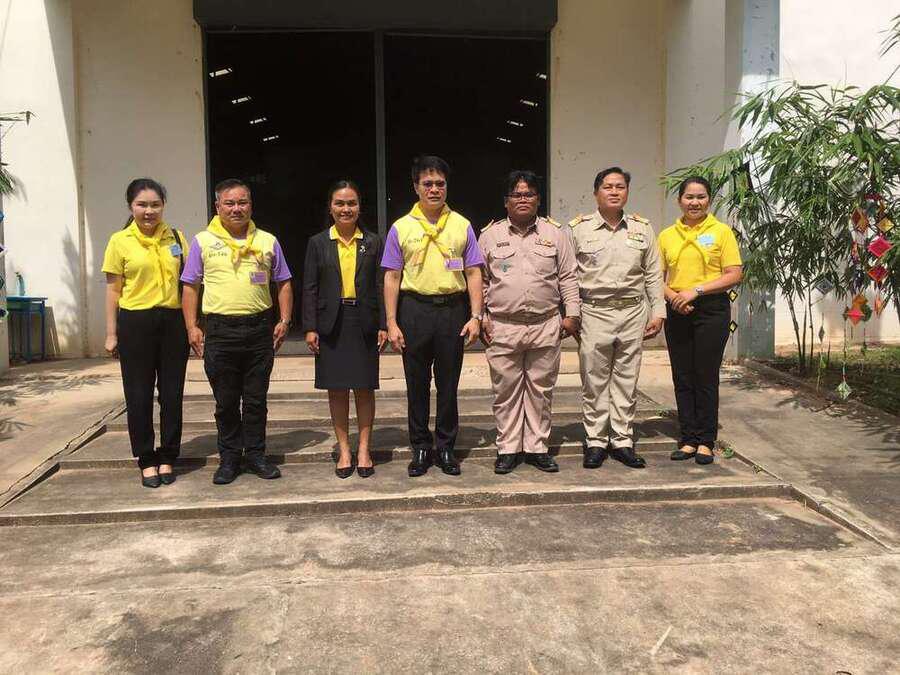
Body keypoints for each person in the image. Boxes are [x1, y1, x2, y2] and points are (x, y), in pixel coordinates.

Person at [180, 178, 293, 485]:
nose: (236, 208)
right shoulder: (202, 241)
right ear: (217, 207)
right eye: (229, 203)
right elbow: (190, 286)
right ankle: (229, 458)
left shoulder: (267, 241)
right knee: (226, 401)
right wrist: (191, 326)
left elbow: (283, 282)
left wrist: (284, 320)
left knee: (256, 400)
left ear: (251, 205)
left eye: (242, 202)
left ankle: (256, 455)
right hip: (220, 331)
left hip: (258, 330)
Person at [381, 155, 484, 477]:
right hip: (414, 310)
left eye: (440, 183)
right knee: (417, 384)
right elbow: (392, 276)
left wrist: (476, 316)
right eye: (427, 183)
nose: (434, 189)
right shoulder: (401, 227)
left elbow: (474, 272)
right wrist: (392, 322)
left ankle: (446, 446)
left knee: (448, 383)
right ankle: (421, 447)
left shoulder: (461, 225)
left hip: (453, 311)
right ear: (416, 187)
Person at [478, 170, 580, 474]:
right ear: (506, 201)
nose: (523, 199)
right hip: (503, 325)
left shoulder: (556, 235)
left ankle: (537, 448)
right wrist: (481, 316)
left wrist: (572, 314)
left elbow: (568, 277)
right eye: (516, 194)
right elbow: (480, 281)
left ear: (538, 199)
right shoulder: (490, 236)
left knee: (540, 390)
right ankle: (508, 448)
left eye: (529, 194)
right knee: (506, 391)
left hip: (545, 323)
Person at [569, 167, 666, 470]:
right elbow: (567, 276)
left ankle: (622, 440)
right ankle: (596, 441)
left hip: (632, 312)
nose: (614, 192)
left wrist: (658, 311)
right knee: (594, 380)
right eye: (608, 186)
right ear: (595, 192)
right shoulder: (578, 229)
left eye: (620, 187)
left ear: (627, 192)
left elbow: (653, 273)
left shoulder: (642, 228)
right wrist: (571, 314)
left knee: (626, 379)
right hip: (593, 311)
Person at [102, 178, 190, 488]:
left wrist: (193, 325)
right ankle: (146, 458)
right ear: (131, 206)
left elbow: (189, 284)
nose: (149, 211)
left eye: (155, 204)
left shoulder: (176, 237)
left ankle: (168, 455)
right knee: (138, 395)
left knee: (171, 394)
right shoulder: (119, 241)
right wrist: (111, 333)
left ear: (163, 206)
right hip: (135, 323)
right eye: (142, 205)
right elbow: (113, 291)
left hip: (173, 323)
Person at [302, 180, 387, 479]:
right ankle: (344, 450)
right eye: (340, 203)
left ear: (359, 207)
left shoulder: (374, 242)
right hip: (331, 324)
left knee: (364, 388)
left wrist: (384, 324)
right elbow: (310, 287)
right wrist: (310, 327)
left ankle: (364, 449)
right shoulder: (318, 243)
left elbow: (381, 285)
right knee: (337, 390)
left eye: (351, 203)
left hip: (364, 321)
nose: (346, 209)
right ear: (331, 207)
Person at [658, 176, 743, 465]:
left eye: (701, 197)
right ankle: (688, 438)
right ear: (679, 200)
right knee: (682, 375)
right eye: (689, 197)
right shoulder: (667, 235)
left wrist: (696, 291)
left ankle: (706, 440)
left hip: (711, 309)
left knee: (705, 374)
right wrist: (674, 297)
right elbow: (655, 277)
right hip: (677, 308)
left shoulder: (721, 232)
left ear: (709, 200)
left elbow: (734, 274)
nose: (695, 202)